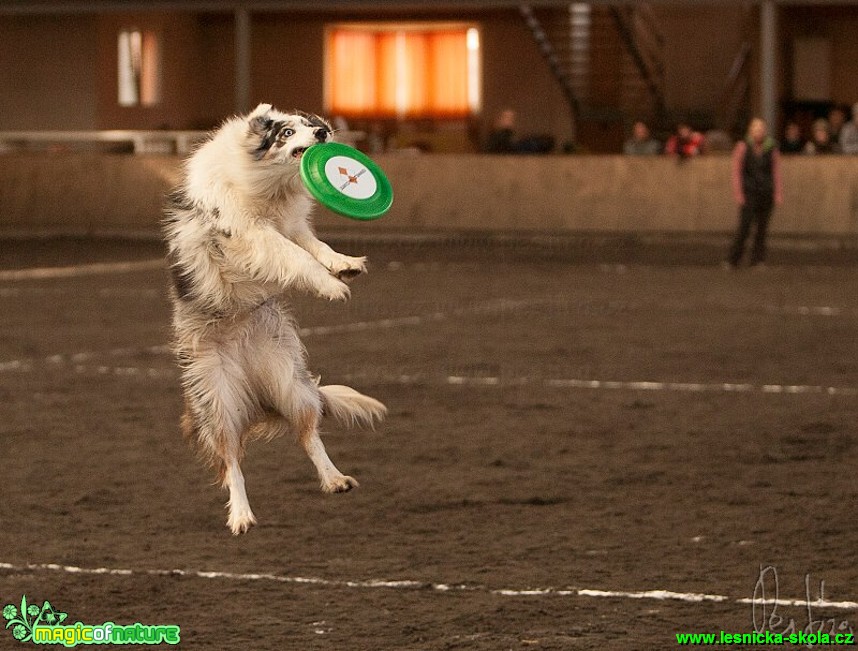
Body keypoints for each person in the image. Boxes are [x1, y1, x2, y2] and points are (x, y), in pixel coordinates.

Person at [725, 118, 783, 269]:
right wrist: (739, 193)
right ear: (750, 131)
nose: (759, 131)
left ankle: (758, 259)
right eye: (756, 128)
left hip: (766, 192)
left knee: (762, 229)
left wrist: (777, 192)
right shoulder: (742, 147)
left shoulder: (771, 147)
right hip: (749, 192)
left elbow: (775, 171)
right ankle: (733, 259)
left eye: (761, 128)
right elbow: (736, 172)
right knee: (744, 227)